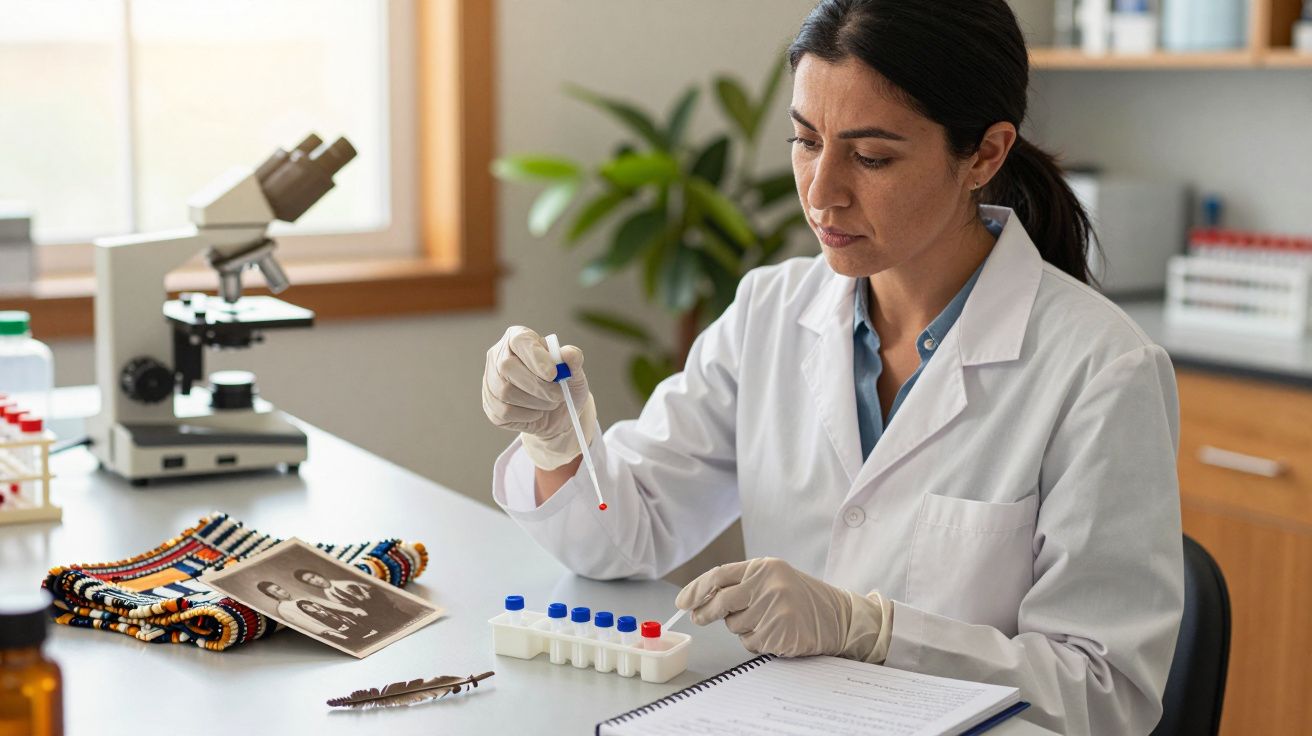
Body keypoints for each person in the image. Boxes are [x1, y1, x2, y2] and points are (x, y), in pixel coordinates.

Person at [481, 1, 1183, 733]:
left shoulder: (1102, 368)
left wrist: (875, 632)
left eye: (871, 156)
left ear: (984, 154)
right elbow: (623, 537)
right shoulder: (770, 312)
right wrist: (559, 444)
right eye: (805, 140)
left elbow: (1106, 696)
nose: (820, 193)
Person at [293, 568, 413, 630]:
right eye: (309, 581)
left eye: (313, 576)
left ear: (318, 575)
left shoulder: (344, 584)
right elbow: (347, 607)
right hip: (371, 612)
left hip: (380, 604)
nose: (315, 581)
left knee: (402, 619)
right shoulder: (330, 595)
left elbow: (371, 589)